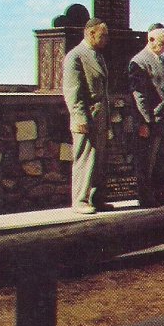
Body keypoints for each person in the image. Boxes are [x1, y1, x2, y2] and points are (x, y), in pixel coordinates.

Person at [62, 18, 113, 214]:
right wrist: (79, 117)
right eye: (103, 35)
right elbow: (72, 91)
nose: (106, 39)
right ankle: (80, 199)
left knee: (99, 160)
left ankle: (96, 198)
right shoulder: (75, 56)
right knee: (85, 157)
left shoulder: (97, 56)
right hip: (86, 117)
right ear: (91, 33)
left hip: (100, 117)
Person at [128, 23, 164, 208]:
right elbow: (139, 95)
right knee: (147, 161)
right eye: (162, 43)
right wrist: (144, 122)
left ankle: (160, 192)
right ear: (150, 40)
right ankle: (146, 196)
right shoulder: (138, 61)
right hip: (152, 120)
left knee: (163, 161)